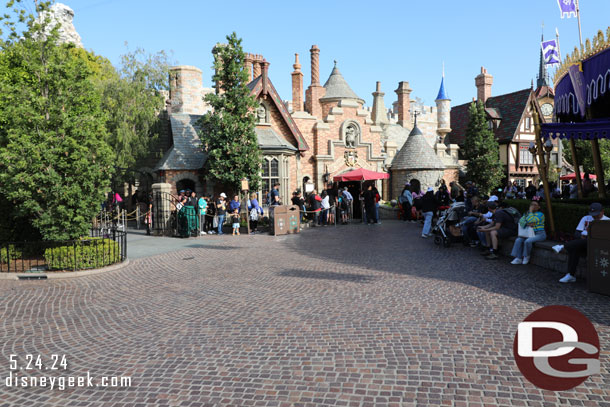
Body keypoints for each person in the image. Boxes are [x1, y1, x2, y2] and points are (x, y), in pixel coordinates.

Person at [554, 203, 609, 283]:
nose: (594, 217)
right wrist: (581, 236)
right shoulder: (586, 218)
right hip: (584, 244)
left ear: (602, 212)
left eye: (597, 214)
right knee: (575, 249)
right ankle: (570, 275)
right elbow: (577, 233)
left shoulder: (607, 221)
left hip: (598, 246)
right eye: (593, 214)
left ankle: (563, 246)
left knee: (589, 239)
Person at [510, 200, 546, 265]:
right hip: (528, 233)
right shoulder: (527, 213)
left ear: (539, 207)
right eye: (532, 204)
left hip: (539, 234)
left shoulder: (540, 214)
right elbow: (521, 221)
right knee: (518, 240)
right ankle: (518, 258)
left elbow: (532, 220)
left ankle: (526, 256)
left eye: (535, 205)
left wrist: (530, 212)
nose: (533, 206)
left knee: (528, 241)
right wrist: (527, 223)